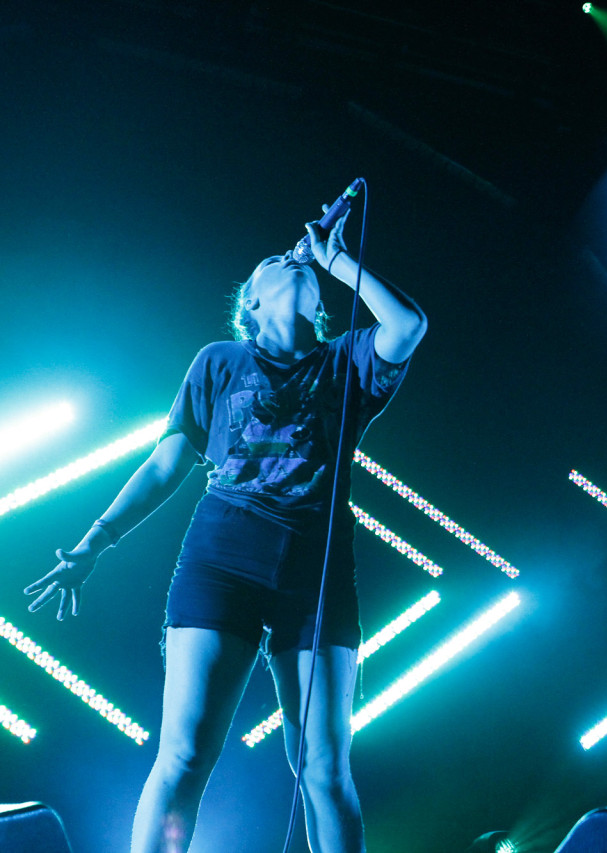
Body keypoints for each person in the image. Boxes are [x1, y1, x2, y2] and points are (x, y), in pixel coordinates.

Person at [23, 202, 428, 853]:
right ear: (253, 303)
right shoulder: (218, 362)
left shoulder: (347, 361)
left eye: (296, 260)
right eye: (274, 261)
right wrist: (93, 542)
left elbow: (408, 325)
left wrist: (337, 260)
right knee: (184, 755)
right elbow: (164, 465)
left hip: (316, 575)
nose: (289, 258)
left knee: (323, 769)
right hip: (222, 560)